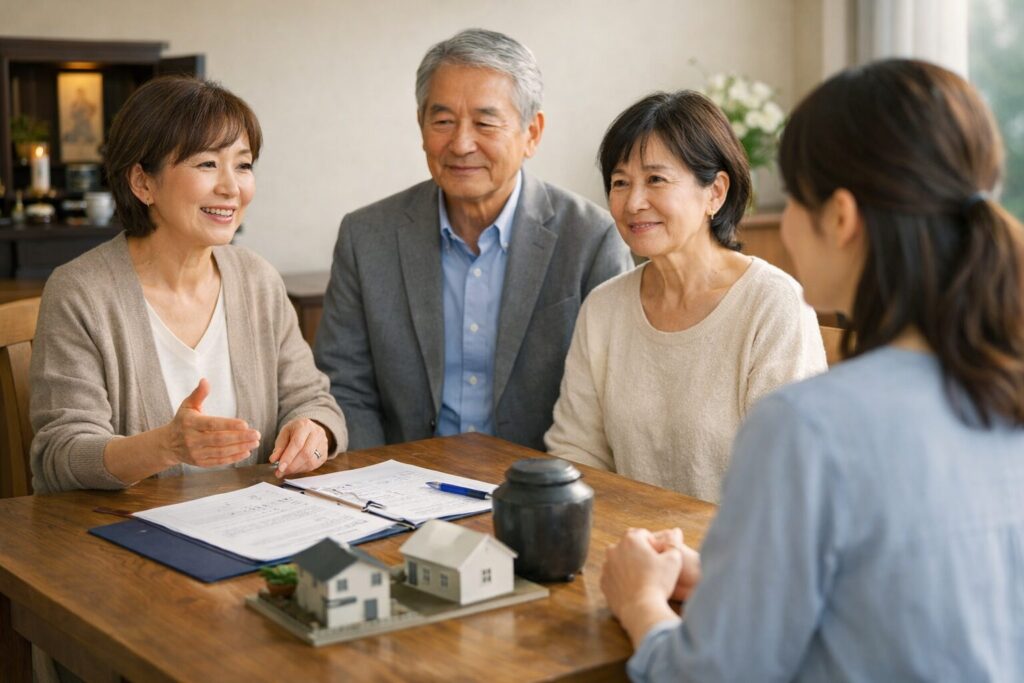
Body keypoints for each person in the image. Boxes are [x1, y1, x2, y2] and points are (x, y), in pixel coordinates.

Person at [601, 59, 1024, 681]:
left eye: (795, 197)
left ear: (842, 218)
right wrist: (731, 575)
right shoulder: (1001, 392)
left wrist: (639, 603)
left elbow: (710, 676)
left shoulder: (808, 426)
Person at [313, 28, 632, 452]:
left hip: (538, 493)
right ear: (422, 126)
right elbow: (346, 388)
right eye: (443, 121)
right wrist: (377, 484)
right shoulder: (367, 236)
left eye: (485, 122)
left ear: (532, 133)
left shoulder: (590, 239)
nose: (461, 144)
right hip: (402, 490)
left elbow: (609, 404)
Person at [30, 76, 347, 494]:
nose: (232, 187)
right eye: (206, 164)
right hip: (125, 541)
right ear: (143, 183)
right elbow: (61, 454)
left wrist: (313, 429)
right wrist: (165, 446)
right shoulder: (80, 293)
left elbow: (314, 399)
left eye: (243, 164)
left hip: (254, 528)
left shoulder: (257, 280)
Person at [544, 91, 825, 502]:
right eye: (620, 183)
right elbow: (576, 454)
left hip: (738, 554)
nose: (634, 202)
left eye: (656, 179)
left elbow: (788, 481)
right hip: (627, 547)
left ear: (715, 192)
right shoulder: (604, 307)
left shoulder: (772, 304)